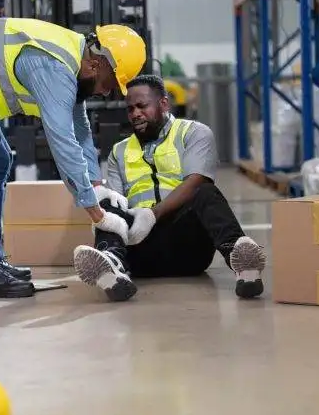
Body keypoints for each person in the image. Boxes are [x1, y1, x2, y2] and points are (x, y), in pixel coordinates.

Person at [0, 17, 146, 299]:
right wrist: (97, 214)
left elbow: (80, 130)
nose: (107, 93)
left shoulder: (72, 58)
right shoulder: (54, 68)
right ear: (96, 65)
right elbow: (62, 142)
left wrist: (96, 183)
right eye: (109, 84)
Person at [72, 74, 267, 302]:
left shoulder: (194, 133)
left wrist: (153, 214)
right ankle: (113, 265)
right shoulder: (119, 151)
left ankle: (243, 265)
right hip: (140, 251)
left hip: (189, 248)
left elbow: (197, 179)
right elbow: (118, 204)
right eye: (130, 109)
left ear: (163, 103)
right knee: (109, 200)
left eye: (142, 106)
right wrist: (127, 217)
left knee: (204, 191)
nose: (135, 114)